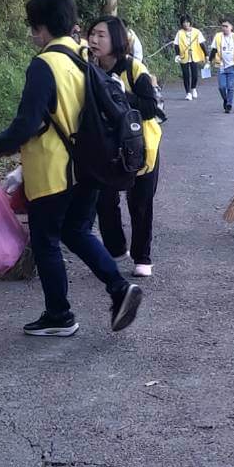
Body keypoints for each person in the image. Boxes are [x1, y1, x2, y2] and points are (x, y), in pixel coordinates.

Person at [0, 0, 145, 337]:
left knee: (46, 240)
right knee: (76, 230)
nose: (32, 35)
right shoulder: (84, 56)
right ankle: (119, 287)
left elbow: (26, 124)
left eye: (33, 28)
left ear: (40, 28)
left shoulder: (45, 65)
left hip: (54, 171)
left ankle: (59, 315)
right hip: (89, 166)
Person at [90, 16, 164, 277]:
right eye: (92, 34)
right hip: (106, 147)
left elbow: (151, 107)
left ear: (117, 40)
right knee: (103, 199)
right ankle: (116, 247)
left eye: (101, 35)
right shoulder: (89, 69)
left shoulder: (134, 69)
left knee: (140, 203)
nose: (94, 40)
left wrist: (122, 94)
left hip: (140, 146)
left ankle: (142, 257)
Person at [209, 19, 234, 113]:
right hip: (221, 65)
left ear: (231, 27)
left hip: (233, 65)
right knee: (222, 87)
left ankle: (229, 104)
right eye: (223, 26)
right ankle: (226, 99)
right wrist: (209, 61)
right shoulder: (218, 36)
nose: (224, 28)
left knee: (230, 87)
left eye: (226, 26)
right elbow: (214, 50)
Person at [173, 18, 208, 101]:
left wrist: (206, 55)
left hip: (194, 56)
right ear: (182, 24)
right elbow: (176, 45)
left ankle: (193, 88)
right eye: (184, 22)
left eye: (187, 22)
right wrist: (177, 55)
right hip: (183, 56)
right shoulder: (179, 33)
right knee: (186, 74)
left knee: (194, 74)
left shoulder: (197, 32)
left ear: (190, 23)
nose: (186, 24)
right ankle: (188, 93)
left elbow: (202, 44)